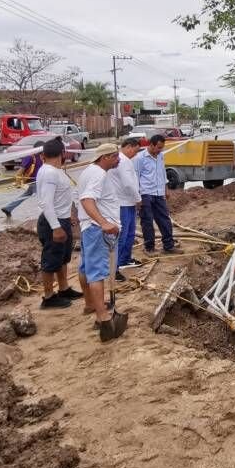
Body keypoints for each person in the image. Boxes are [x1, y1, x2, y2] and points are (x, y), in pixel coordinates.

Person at [77, 143, 127, 342]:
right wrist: (104, 223)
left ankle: (91, 304)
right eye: (115, 156)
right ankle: (103, 318)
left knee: (85, 269)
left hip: (88, 228)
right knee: (97, 272)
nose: (118, 160)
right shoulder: (98, 174)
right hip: (97, 231)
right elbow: (87, 200)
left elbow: (80, 198)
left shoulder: (87, 172)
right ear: (105, 157)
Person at [34, 138, 83, 309]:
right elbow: (46, 203)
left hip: (62, 219)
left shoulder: (57, 171)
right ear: (62, 153)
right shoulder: (49, 173)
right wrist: (56, 227)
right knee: (50, 260)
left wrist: (69, 214)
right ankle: (48, 297)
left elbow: (62, 197)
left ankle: (63, 288)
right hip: (52, 222)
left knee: (62, 258)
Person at [133, 134, 176, 254]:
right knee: (147, 221)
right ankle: (149, 248)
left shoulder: (160, 156)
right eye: (158, 147)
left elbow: (162, 173)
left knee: (164, 219)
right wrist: (137, 197)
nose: (160, 150)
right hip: (145, 193)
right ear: (151, 145)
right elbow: (135, 177)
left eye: (162, 148)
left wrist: (166, 189)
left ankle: (168, 245)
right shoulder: (140, 158)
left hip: (158, 193)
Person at [110, 137, 143, 273]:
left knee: (129, 233)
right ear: (128, 146)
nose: (135, 155)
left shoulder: (125, 160)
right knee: (122, 235)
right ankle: (115, 266)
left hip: (128, 202)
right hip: (122, 203)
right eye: (134, 151)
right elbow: (128, 183)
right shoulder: (122, 161)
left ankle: (125, 259)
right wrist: (138, 199)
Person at [1, 143, 44, 218]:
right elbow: (19, 172)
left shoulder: (42, 157)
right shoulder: (30, 157)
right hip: (34, 182)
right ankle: (44, 217)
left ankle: (8, 208)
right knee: (42, 199)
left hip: (38, 182)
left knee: (26, 195)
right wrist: (18, 183)